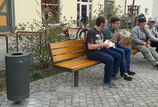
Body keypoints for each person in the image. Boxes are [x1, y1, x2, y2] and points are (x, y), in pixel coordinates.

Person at [85, 16, 121, 88]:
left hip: (101, 50)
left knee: (118, 56)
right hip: (92, 53)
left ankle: (112, 75)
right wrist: (103, 44)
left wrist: (108, 43)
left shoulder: (101, 31)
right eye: (106, 23)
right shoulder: (92, 31)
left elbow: (104, 42)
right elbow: (90, 46)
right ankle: (107, 81)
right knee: (110, 59)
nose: (107, 25)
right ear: (102, 24)